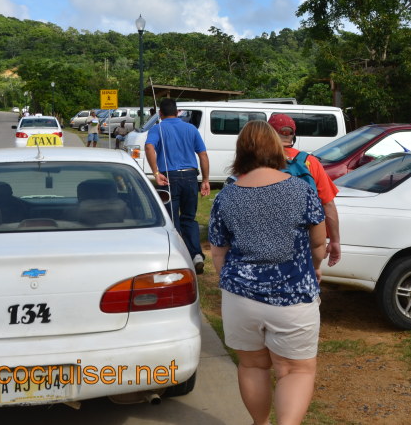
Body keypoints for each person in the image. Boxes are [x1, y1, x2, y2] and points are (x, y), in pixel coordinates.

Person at [208, 120, 326, 425]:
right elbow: (318, 244)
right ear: (276, 147)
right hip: (294, 297)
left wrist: (228, 283)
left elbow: (218, 251)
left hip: (240, 299)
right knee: (295, 370)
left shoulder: (225, 196)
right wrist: (314, 269)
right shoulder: (302, 189)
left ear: (241, 152)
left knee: (253, 367)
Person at [144, 98, 210, 272]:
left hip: (168, 178)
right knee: (189, 218)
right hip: (190, 176)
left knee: (171, 220)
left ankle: (177, 257)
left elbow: (149, 147)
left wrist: (156, 173)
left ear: (160, 114)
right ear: (178, 111)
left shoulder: (157, 128)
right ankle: (196, 255)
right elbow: (203, 154)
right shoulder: (191, 128)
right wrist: (205, 180)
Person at [268, 113, 342, 267]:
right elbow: (327, 204)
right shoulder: (310, 162)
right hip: (304, 243)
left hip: (268, 243)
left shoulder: (259, 160)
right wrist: (335, 240)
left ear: (269, 133)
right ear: (292, 135)